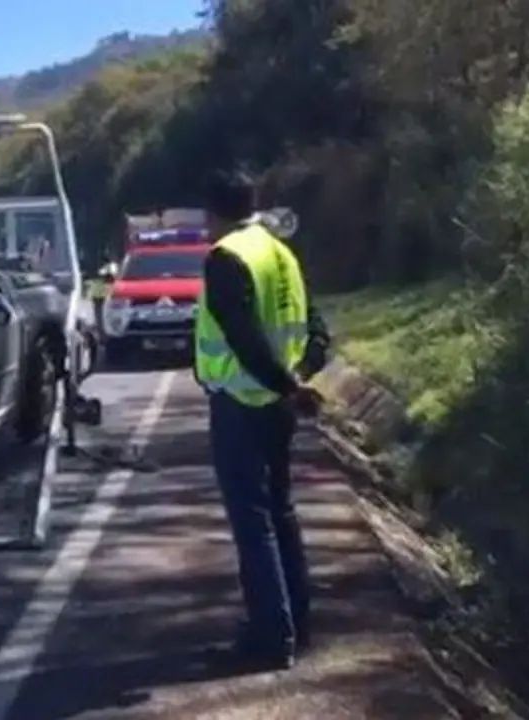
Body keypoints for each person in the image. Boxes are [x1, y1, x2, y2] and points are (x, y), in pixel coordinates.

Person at [193, 170, 331, 671]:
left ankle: (271, 638)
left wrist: (287, 386)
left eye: (206, 216)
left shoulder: (226, 258)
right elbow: (317, 330)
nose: (205, 226)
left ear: (216, 213)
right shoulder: (280, 252)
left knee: (252, 522)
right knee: (280, 512)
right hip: (277, 406)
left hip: (242, 403)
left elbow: (244, 337)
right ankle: (296, 620)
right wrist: (298, 380)